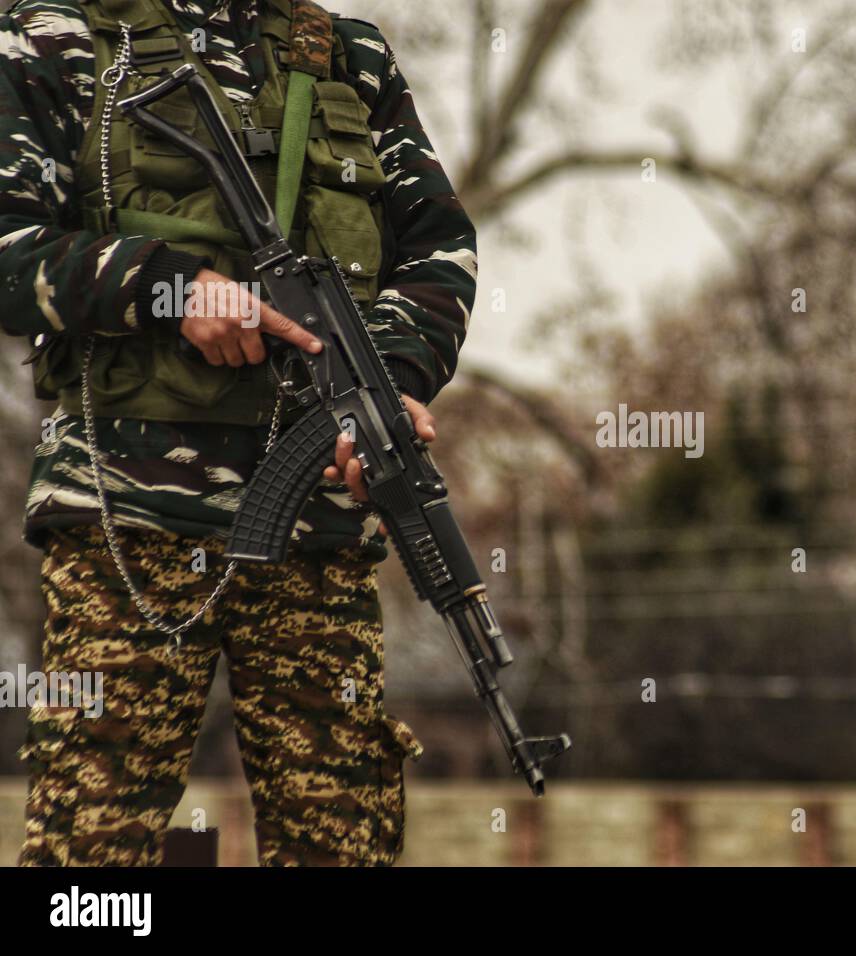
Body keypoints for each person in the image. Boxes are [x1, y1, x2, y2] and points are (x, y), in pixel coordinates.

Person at [0, 0, 477, 865]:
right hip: (129, 526)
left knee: (345, 843)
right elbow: (8, 245)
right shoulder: (53, 35)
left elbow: (439, 247)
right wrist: (169, 289)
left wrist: (391, 386)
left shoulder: (343, 54)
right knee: (91, 856)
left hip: (320, 526)